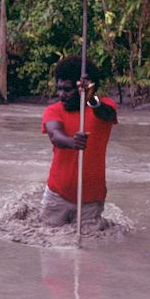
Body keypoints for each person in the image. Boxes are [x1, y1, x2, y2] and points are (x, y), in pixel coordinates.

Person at [41, 55, 117, 229]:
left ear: (82, 88)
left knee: (89, 248)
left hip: (91, 198)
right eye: (59, 89)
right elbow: (55, 135)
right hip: (57, 194)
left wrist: (90, 98)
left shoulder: (104, 107)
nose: (61, 95)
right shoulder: (53, 110)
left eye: (67, 90)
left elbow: (108, 115)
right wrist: (71, 142)